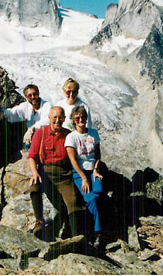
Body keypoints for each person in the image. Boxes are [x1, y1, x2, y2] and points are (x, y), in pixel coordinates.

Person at [27, 106, 84, 239]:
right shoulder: (40, 133)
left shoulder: (69, 135)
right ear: (49, 118)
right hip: (45, 171)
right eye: (54, 117)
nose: (57, 120)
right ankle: (39, 222)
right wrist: (35, 173)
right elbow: (32, 156)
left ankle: (77, 238)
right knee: (34, 185)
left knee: (73, 202)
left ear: (64, 119)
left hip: (64, 174)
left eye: (60, 117)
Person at [65, 105, 104, 247]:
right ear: (74, 120)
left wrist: (95, 169)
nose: (81, 120)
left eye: (83, 117)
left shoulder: (93, 133)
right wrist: (83, 178)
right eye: (77, 118)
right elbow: (73, 160)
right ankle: (97, 232)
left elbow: (98, 154)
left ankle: (91, 222)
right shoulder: (71, 137)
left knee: (98, 193)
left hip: (92, 170)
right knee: (91, 198)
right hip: (79, 173)